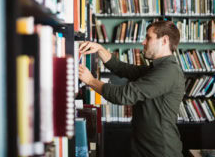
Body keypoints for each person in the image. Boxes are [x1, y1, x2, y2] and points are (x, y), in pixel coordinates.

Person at [78, 20, 185, 157]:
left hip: (160, 151)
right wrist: (100, 49)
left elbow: (123, 95)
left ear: (164, 40)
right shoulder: (157, 69)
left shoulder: (168, 72)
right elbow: (123, 69)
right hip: (146, 148)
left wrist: (91, 81)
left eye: (148, 37)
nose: (143, 42)